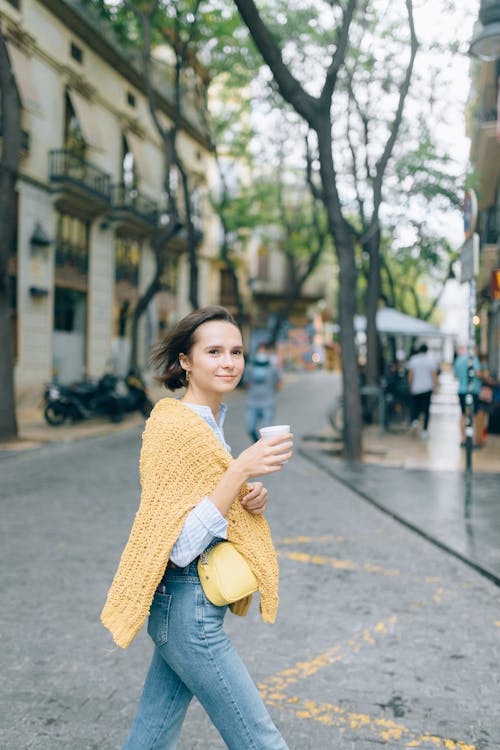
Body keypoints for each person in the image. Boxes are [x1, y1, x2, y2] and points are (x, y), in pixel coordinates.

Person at [100, 306, 293, 750]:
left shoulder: (210, 423)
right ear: (185, 362)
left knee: (151, 735)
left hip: (188, 606)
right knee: (260, 739)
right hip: (188, 609)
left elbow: (206, 505)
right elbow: (180, 545)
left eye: (236, 351)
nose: (229, 362)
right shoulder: (172, 426)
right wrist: (239, 468)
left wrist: (249, 498)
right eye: (214, 351)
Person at [244, 341, 282, 443]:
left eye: (264, 351)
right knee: (250, 428)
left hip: (268, 403)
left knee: (267, 433)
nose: (262, 353)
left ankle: (265, 452)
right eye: (260, 351)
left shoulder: (273, 368)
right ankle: (257, 444)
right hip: (252, 403)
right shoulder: (250, 367)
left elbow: (278, 384)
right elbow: (246, 383)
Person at [406, 343, 439, 440]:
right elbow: (434, 375)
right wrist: (436, 386)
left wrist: (410, 386)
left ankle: (415, 421)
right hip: (427, 388)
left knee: (415, 406)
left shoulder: (413, 359)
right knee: (426, 409)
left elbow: (410, 375)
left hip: (416, 388)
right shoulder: (431, 360)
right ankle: (424, 430)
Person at [453, 345, 482, 447]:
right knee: (473, 416)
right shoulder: (473, 359)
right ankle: (473, 441)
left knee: (463, 415)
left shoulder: (459, 359)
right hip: (472, 391)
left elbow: (455, 375)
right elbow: (478, 373)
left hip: (461, 390)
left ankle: (463, 439)